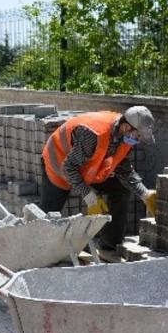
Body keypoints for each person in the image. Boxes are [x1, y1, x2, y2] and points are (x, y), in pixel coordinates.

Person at [40, 106, 159, 263]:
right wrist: (89, 196)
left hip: (89, 170)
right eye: (137, 136)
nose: (137, 141)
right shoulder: (92, 134)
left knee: (120, 189)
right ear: (125, 127)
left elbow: (123, 169)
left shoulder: (124, 138)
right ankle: (41, 251)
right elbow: (68, 168)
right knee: (49, 213)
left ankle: (108, 247)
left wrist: (144, 194)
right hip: (58, 164)